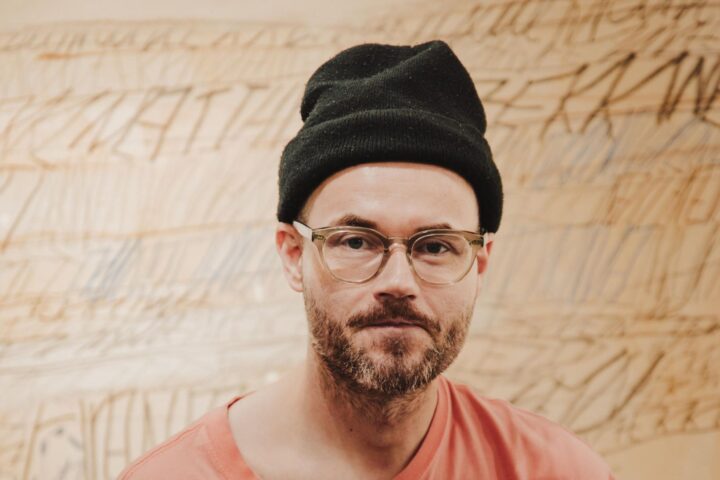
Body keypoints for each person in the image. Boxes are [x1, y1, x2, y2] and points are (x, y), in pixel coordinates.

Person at [120, 40, 615, 480]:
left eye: (435, 246)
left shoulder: (557, 470)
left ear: (479, 265)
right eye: (357, 242)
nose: (398, 282)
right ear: (293, 255)